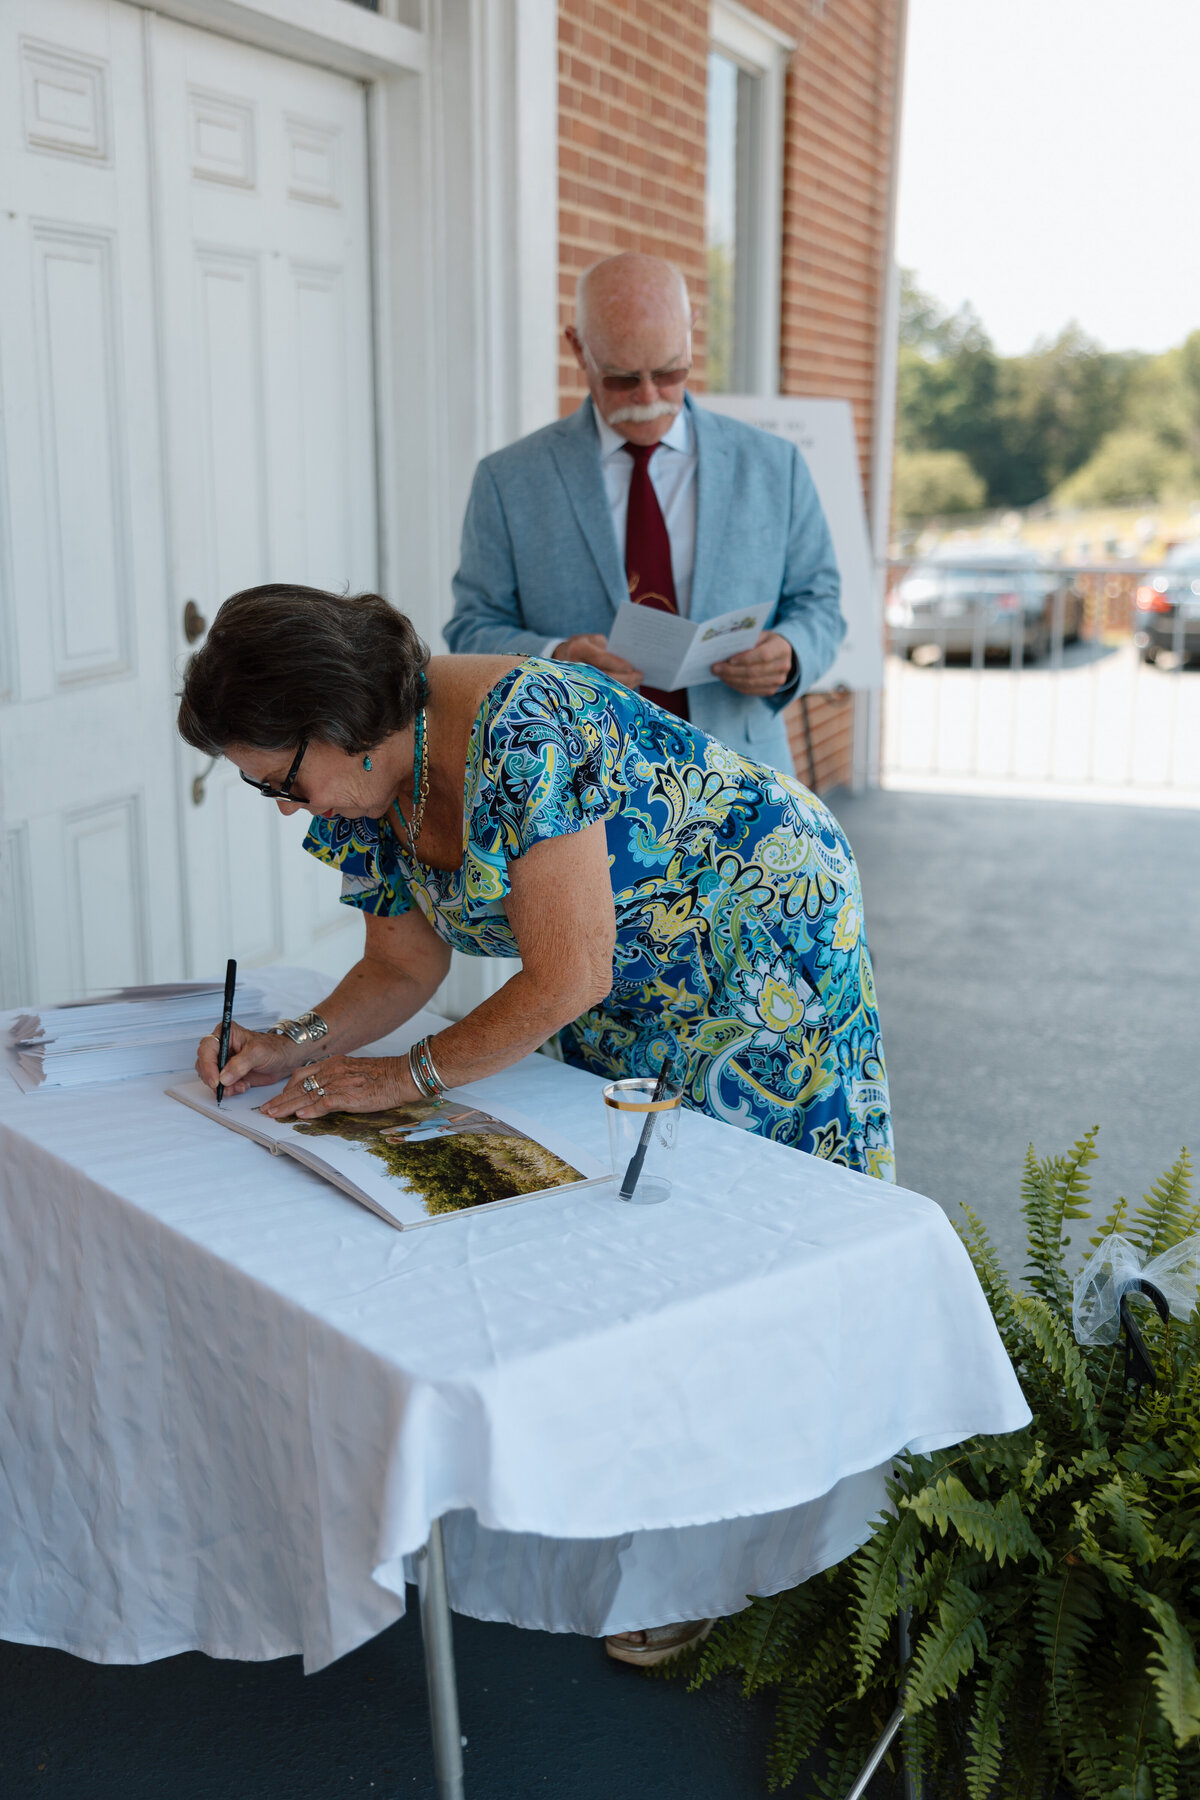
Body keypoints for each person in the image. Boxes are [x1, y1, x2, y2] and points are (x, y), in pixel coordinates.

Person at [178, 582, 894, 1664]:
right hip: (617, 975)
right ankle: (681, 1522)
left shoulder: (525, 727)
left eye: (280, 779)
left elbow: (566, 975)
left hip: (758, 935)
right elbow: (401, 961)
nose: (283, 805)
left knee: (758, 1238)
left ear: (340, 731)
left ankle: (804, 1533)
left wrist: (402, 1078)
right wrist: (303, 1043)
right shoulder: (370, 788)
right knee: (635, 1227)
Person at [444, 251, 845, 774]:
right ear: (577, 349)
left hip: (744, 781)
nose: (650, 397)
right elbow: (472, 629)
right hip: (573, 788)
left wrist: (790, 651)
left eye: (669, 372)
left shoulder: (773, 464)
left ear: (691, 334)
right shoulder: (509, 479)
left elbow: (821, 602)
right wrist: (557, 657)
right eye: (621, 379)